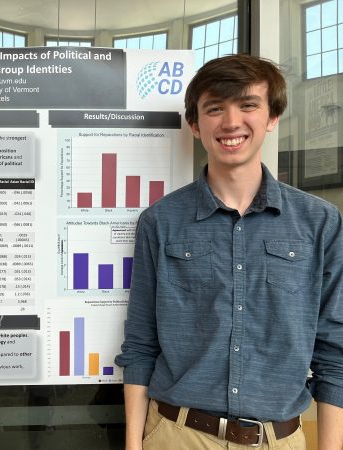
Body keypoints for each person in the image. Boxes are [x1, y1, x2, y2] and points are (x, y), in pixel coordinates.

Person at [115, 54, 343, 450]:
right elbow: (140, 344)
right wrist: (133, 445)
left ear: (272, 117)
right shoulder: (160, 221)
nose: (231, 121)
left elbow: (335, 352)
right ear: (195, 125)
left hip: (278, 440)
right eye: (215, 108)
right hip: (176, 436)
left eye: (248, 105)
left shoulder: (320, 222)